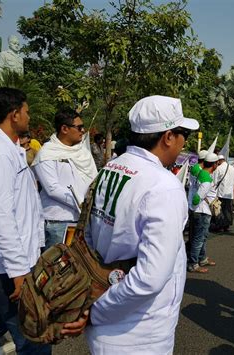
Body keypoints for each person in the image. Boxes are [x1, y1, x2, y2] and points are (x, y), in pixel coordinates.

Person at [60, 95, 200, 353]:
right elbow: (149, 278)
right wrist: (97, 312)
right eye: (183, 136)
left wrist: (91, 305)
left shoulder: (111, 168)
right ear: (168, 136)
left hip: (107, 317)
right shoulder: (163, 186)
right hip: (137, 331)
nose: (183, 144)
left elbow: (88, 241)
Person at [0, 87, 50, 354]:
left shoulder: (8, 149)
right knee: (34, 339)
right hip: (5, 270)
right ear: (14, 115)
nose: (29, 116)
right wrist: (18, 272)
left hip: (9, 264)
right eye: (26, 112)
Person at [32, 108, 98, 250]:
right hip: (59, 222)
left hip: (83, 221)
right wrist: (81, 203)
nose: (83, 130)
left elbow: (94, 180)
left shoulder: (83, 152)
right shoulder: (47, 153)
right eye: (79, 127)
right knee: (58, 268)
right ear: (64, 129)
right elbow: (52, 189)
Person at [187, 153, 219, 273]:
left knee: (202, 237)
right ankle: (193, 264)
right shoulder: (206, 178)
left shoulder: (201, 172)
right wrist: (194, 207)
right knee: (199, 239)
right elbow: (197, 197)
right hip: (202, 212)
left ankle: (202, 259)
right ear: (214, 164)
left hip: (200, 211)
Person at [212, 154, 234, 232]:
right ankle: (227, 226)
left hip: (221, 193)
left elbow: (214, 181)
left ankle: (220, 226)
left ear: (219, 161)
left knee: (220, 210)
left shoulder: (218, 168)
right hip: (229, 193)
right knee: (228, 210)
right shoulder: (233, 168)